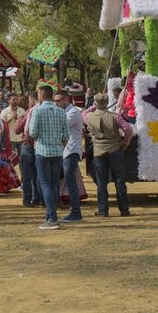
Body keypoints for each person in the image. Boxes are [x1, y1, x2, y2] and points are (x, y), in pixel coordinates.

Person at [27, 84, 68, 230]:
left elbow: (32, 132)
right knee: (54, 183)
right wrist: (60, 145)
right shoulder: (61, 111)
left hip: (42, 151)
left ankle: (52, 217)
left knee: (45, 184)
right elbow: (66, 135)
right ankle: (50, 214)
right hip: (57, 152)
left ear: (42, 95)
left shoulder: (37, 111)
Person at [83, 93, 132, 217]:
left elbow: (82, 114)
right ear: (107, 102)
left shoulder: (89, 116)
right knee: (120, 180)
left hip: (99, 151)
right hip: (115, 149)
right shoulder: (115, 117)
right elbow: (128, 129)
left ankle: (103, 210)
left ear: (95, 103)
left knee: (101, 182)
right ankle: (124, 210)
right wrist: (125, 142)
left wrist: (93, 107)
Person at [56, 90, 86, 221]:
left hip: (71, 151)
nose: (56, 103)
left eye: (58, 100)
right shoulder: (64, 112)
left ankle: (76, 212)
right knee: (67, 180)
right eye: (55, 101)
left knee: (70, 181)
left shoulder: (73, 112)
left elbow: (60, 127)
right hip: (65, 151)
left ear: (66, 99)